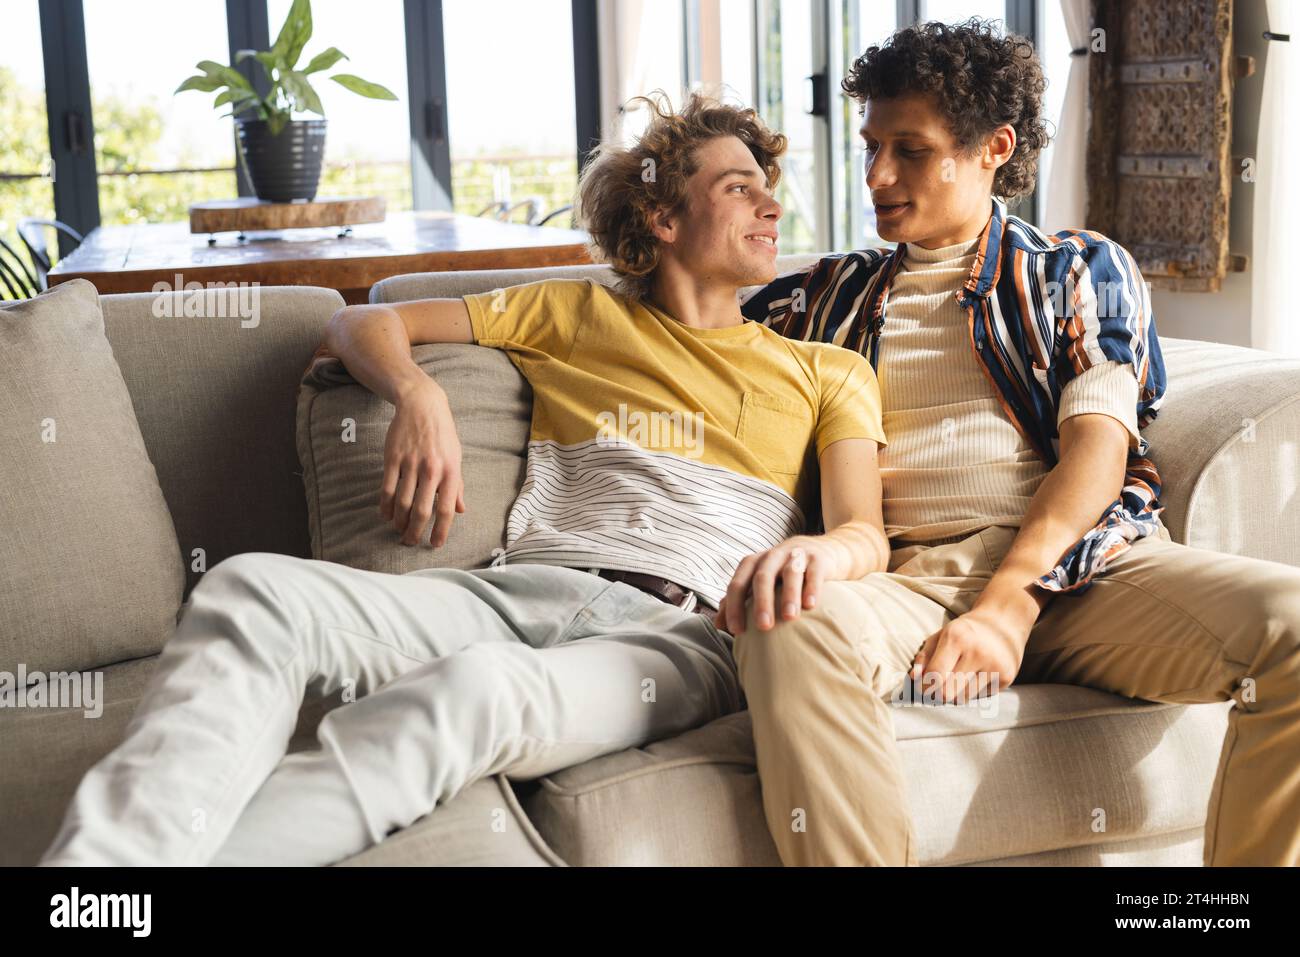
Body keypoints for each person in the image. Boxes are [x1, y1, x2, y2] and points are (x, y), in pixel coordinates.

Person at [39, 92, 889, 867]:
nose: (771, 206)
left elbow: (865, 533)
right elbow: (360, 322)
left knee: (476, 691)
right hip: (521, 590)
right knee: (249, 590)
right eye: (739, 188)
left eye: (767, 189)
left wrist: (819, 555)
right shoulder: (574, 313)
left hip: (680, 633)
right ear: (663, 215)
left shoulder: (829, 371)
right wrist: (417, 393)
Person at [732, 17, 1300, 867]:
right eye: (871, 146)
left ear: (994, 148)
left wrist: (1008, 604)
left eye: (911, 150)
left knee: (1292, 627)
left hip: (1081, 576)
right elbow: (664, 324)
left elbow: (1099, 452)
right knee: (784, 622)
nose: (877, 175)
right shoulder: (823, 295)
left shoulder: (1077, 269)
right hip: (901, 584)